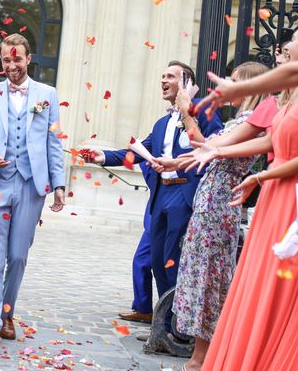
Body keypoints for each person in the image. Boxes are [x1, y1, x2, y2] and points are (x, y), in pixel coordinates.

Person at [84, 61, 223, 332]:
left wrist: (187, 115)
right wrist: (103, 157)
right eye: (161, 75)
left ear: (186, 82)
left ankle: (178, 326)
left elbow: (214, 146)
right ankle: (164, 320)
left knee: (173, 258)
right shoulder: (161, 124)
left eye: (169, 76)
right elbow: (139, 151)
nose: (163, 80)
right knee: (157, 259)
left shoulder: (204, 112)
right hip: (162, 195)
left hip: (185, 193)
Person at [200, 25, 298, 370]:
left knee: (282, 292)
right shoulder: (295, 94)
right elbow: (270, 141)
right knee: (259, 290)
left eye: (295, 38)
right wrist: (213, 152)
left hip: (294, 202)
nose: (286, 45)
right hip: (273, 198)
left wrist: (261, 175)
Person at [169, 62, 269, 371]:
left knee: (210, 278)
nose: (227, 86)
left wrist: (187, 112)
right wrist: (171, 162)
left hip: (220, 205)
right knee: (201, 274)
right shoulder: (239, 119)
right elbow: (203, 151)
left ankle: (201, 359)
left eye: (235, 81)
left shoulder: (251, 119)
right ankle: (198, 356)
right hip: (209, 201)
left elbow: (208, 145)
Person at [0, 34, 66, 351]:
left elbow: (54, 141)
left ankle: (6, 311)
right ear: (2, 61)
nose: (12, 65)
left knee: (18, 256)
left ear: (29, 59)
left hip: (31, 184)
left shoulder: (46, 95)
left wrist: (59, 184)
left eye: (17, 59)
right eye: (7, 60)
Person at [118, 162, 155, 324]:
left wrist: (144, 160)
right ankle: (143, 308)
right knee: (141, 262)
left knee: (163, 268)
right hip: (154, 218)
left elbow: (154, 178)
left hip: (167, 215)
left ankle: (166, 318)